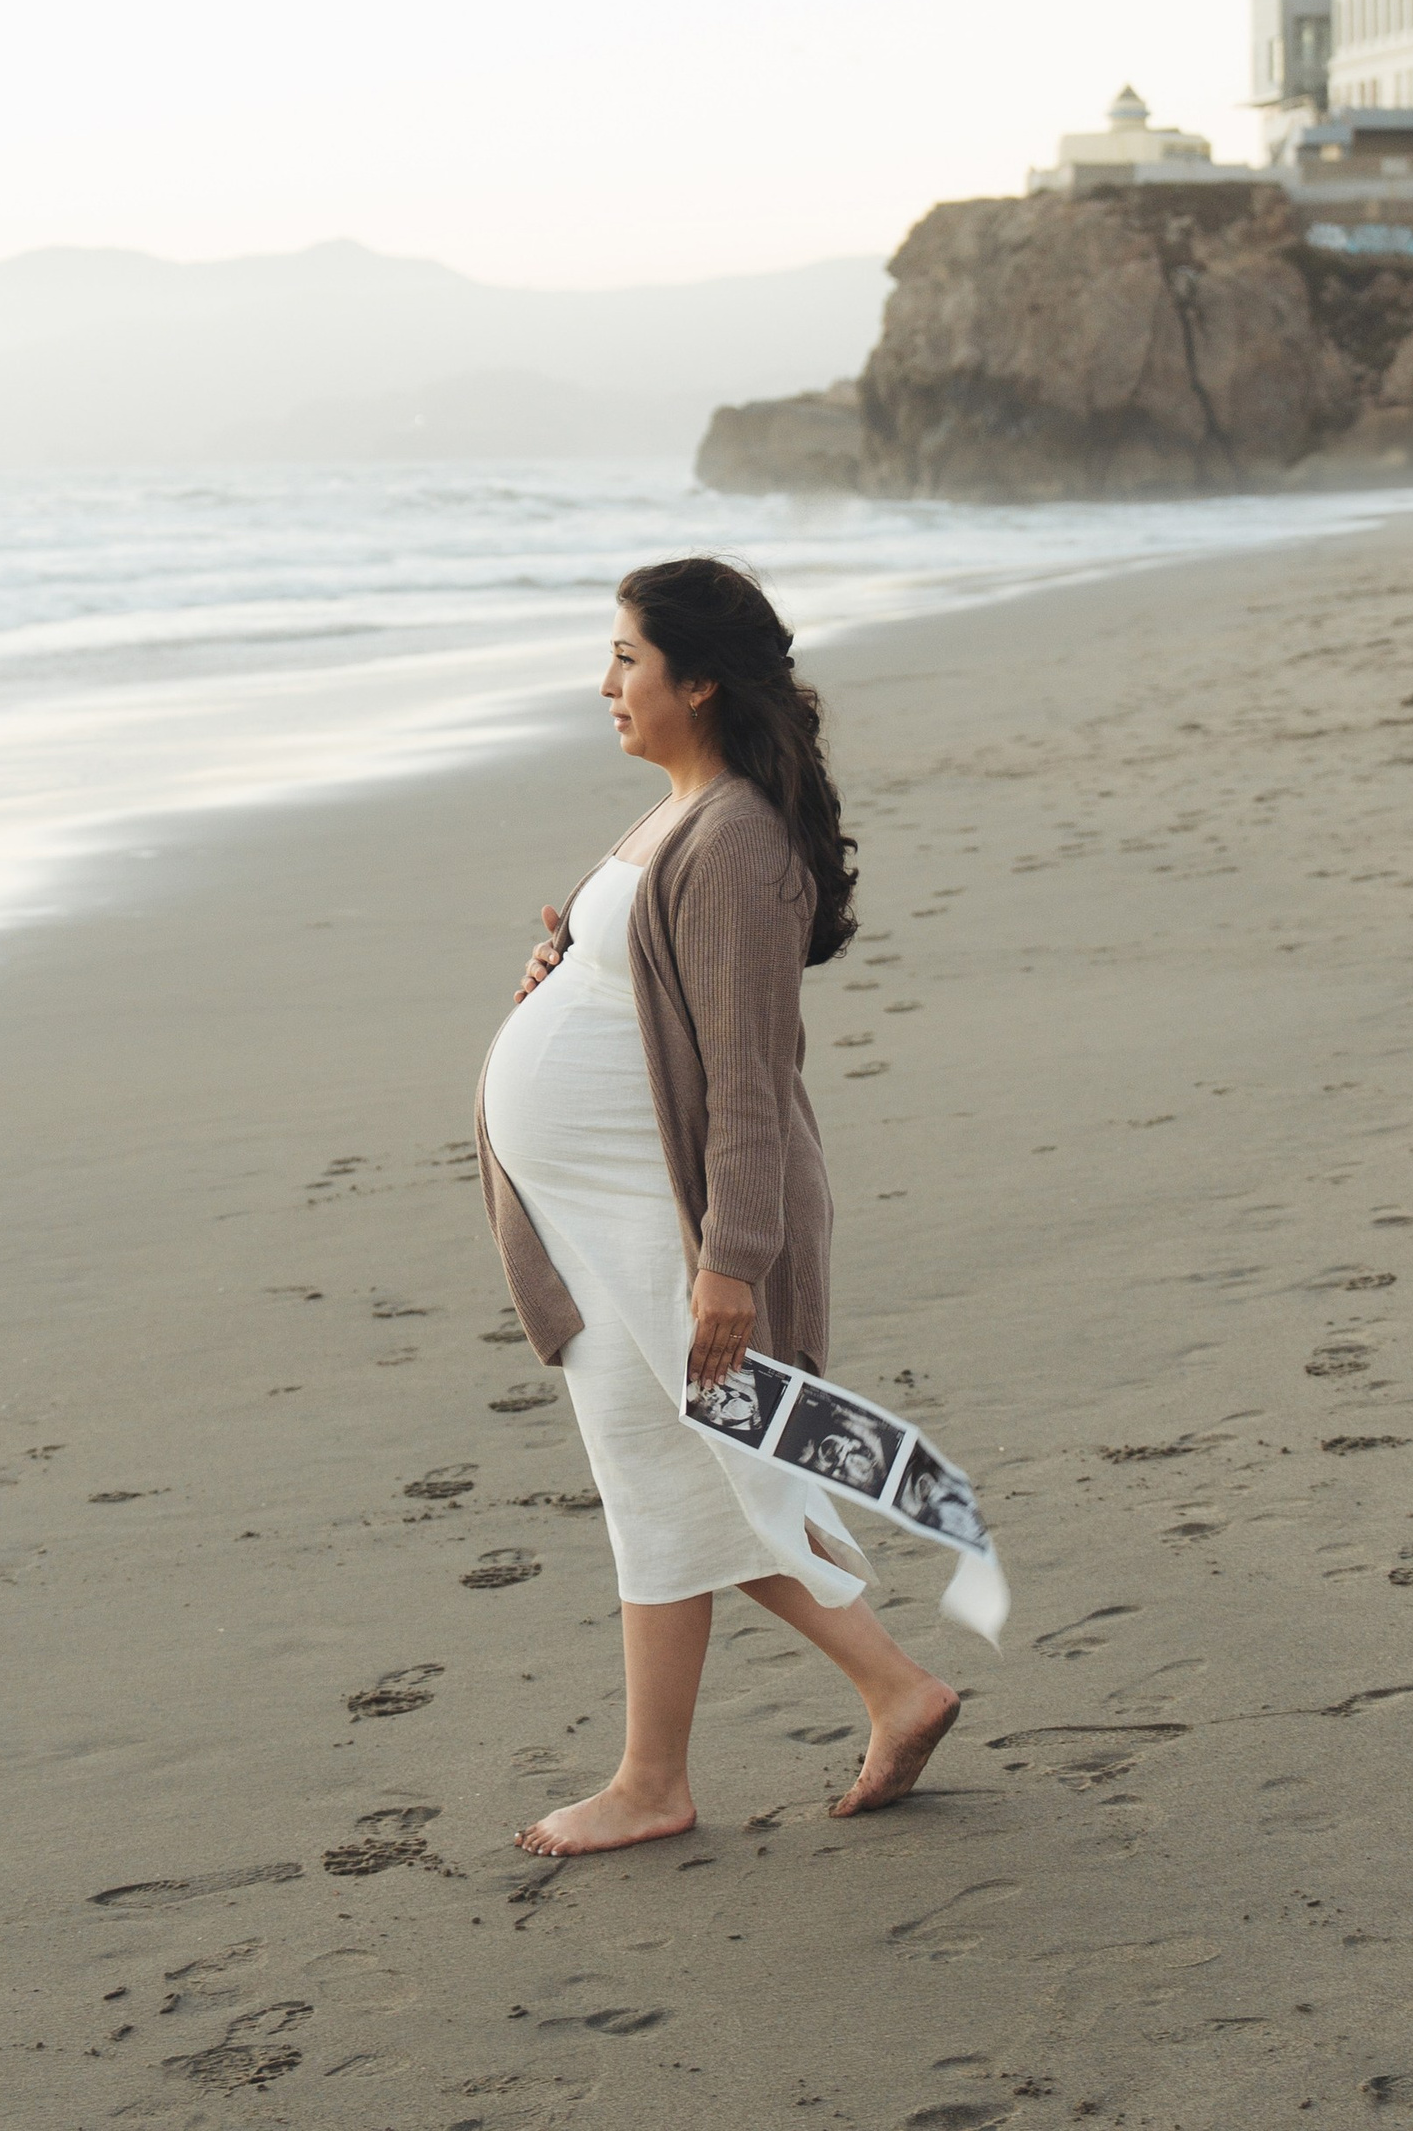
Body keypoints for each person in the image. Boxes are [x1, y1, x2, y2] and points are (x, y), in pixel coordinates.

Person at [475, 556, 962, 1857]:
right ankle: (652, 1780)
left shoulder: (738, 837)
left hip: (668, 1218)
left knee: (729, 1468)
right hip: (604, 1214)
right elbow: (653, 993)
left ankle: (894, 1686)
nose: (607, 682)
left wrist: (731, 1266)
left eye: (629, 658)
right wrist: (566, 964)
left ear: (697, 679)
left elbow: (752, 1074)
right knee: (653, 1477)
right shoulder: (680, 817)